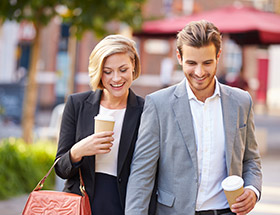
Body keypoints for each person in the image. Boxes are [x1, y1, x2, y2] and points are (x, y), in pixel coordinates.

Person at [125, 20, 262, 215]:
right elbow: (142, 173)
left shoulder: (241, 101)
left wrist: (252, 189)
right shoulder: (158, 104)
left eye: (207, 63)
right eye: (191, 63)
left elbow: (251, 160)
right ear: (179, 57)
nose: (199, 72)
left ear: (218, 56)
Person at [55, 35, 155, 215]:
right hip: (80, 205)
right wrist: (78, 150)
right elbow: (60, 169)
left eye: (123, 69)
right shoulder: (77, 104)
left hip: (125, 206)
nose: (116, 78)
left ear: (133, 65)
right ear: (99, 72)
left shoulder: (147, 110)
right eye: (107, 71)